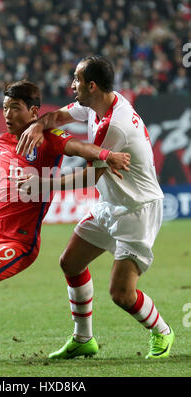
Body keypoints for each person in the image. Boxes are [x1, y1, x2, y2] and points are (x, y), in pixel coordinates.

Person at [0, 80, 130, 367]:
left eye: (15, 108)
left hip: (19, 240)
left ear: (34, 111)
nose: (7, 115)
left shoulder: (48, 138)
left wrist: (106, 155)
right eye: (4, 108)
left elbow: (79, 147)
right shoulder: (2, 141)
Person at [16, 56, 175, 360]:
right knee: (70, 263)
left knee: (121, 294)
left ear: (92, 85)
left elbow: (90, 175)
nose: (70, 85)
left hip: (136, 210)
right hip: (110, 203)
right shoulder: (98, 105)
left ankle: (162, 331)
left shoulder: (113, 127)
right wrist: (38, 125)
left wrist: (41, 184)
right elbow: (60, 116)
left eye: (76, 79)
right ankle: (83, 338)